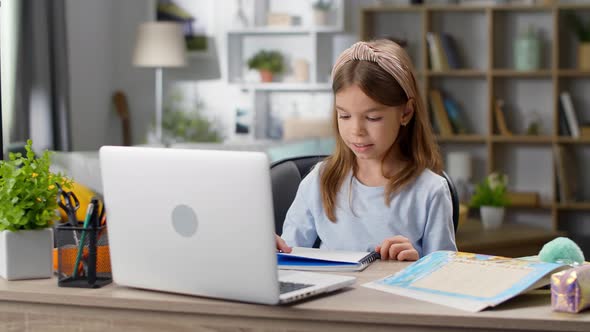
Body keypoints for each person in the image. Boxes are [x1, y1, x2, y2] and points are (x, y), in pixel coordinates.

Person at [275, 39, 457, 261]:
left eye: (372, 118)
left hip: (396, 296)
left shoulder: (430, 191)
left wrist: (416, 263)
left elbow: (445, 275)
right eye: (344, 116)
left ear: (406, 113)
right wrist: (273, 250)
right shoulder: (319, 182)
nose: (356, 130)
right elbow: (289, 257)